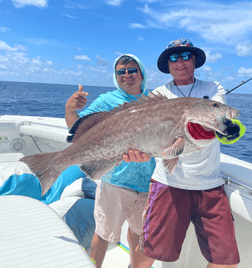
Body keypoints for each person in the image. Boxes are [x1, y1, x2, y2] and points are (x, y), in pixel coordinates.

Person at [129, 39, 241, 268]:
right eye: (173, 57)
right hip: (169, 183)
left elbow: (218, 117)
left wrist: (228, 128)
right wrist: (139, 151)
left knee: (226, 260)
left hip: (209, 183)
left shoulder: (212, 89)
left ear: (194, 60)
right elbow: (146, 134)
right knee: (149, 252)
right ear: (167, 64)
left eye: (185, 56)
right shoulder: (159, 94)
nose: (179, 62)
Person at [65, 54, 156, 268]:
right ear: (115, 76)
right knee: (103, 233)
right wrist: (70, 110)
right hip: (114, 181)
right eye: (121, 72)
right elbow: (78, 131)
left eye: (132, 70)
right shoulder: (106, 101)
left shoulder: (155, 101)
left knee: (138, 234)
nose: (127, 75)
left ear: (142, 73)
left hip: (149, 184)